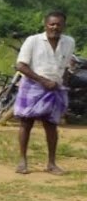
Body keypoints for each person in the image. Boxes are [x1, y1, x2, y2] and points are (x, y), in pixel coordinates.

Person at [14, 10, 75, 175]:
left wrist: (62, 85)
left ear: (64, 26)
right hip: (32, 86)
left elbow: (66, 67)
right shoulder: (33, 41)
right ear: (45, 24)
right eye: (52, 24)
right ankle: (22, 161)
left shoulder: (69, 42)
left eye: (58, 24)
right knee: (26, 124)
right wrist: (42, 81)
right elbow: (20, 65)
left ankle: (51, 163)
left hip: (55, 88)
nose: (55, 27)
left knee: (51, 126)